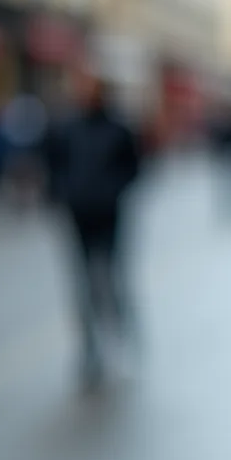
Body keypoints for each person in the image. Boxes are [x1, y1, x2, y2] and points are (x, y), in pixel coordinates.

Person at [46, 76, 141, 384]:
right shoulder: (67, 128)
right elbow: (54, 166)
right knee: (83, 285)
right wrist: (62, 194)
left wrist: (112, 191)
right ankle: (90, 350)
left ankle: (122, 340)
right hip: (78, 216)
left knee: (112, 279)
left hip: (109, 215)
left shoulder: (118, 129)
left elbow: (134, 169)